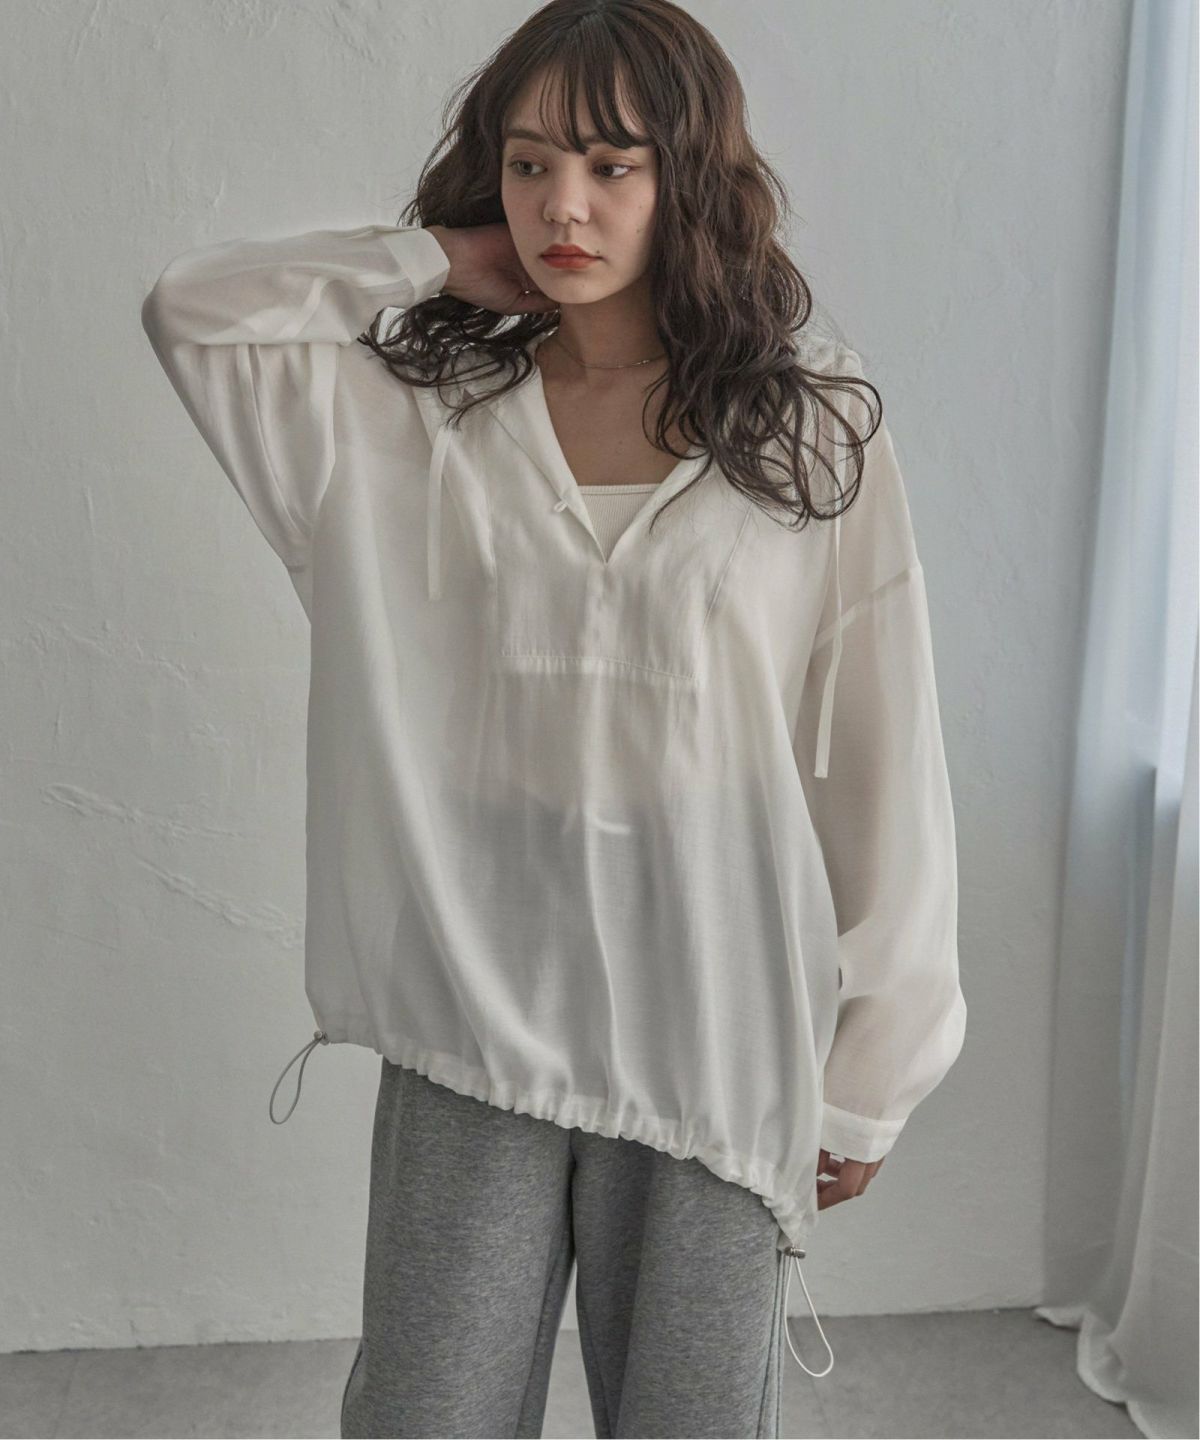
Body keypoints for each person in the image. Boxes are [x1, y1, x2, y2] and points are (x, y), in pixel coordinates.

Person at [140, 1, 967, 1434]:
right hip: (476, 1001)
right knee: (428, 1409)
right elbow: (192, 312)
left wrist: (874, 1066)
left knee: (693, 1416)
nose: (561, 207)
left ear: (687, 178)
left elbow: (888, 760)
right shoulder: (411, 418)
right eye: (528, 165)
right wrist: (435, 260)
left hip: (711, 1011)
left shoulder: (805, 428)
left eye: (610, 165)